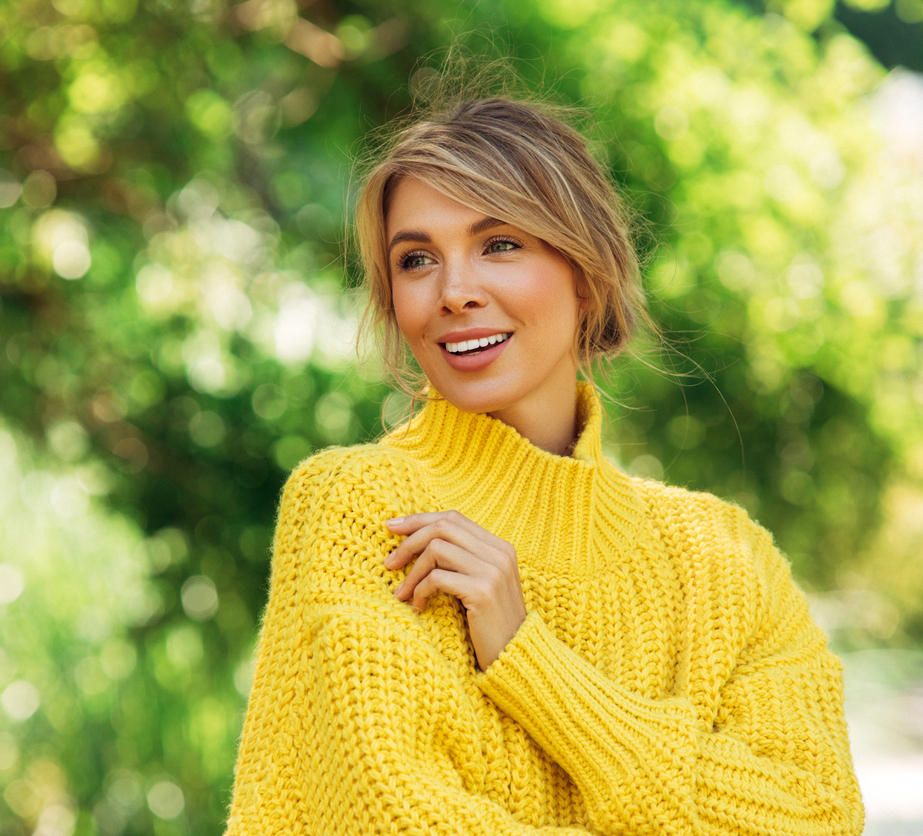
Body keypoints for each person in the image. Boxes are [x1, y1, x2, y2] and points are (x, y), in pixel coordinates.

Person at [223, 96, 864, 835]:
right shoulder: (363, 507)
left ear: (586, 274)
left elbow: (819, 818)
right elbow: (391, 817)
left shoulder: (726, 560)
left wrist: (532, 661)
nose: (455, 291)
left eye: (500, 244)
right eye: (417, 259)